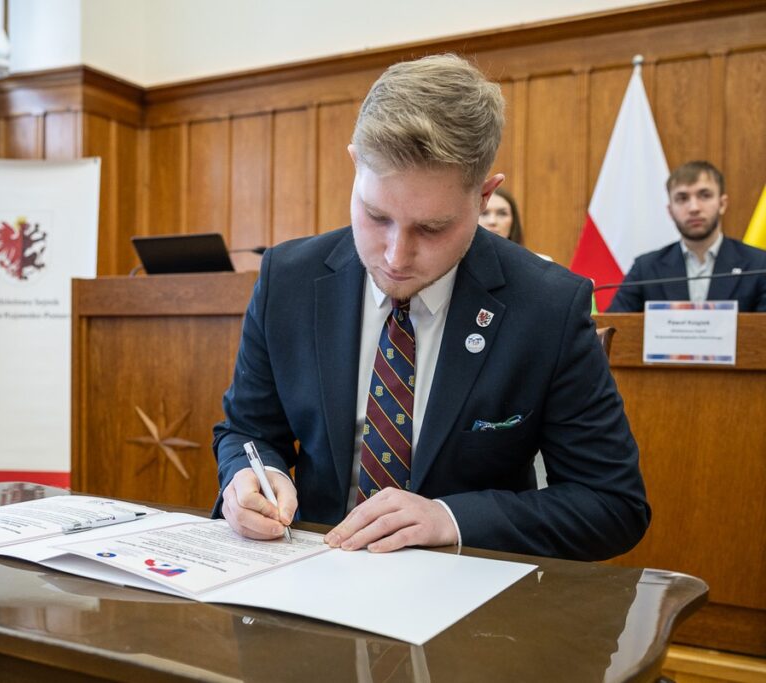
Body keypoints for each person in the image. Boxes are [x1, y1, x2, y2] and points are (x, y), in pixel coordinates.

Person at [212, 54, 650, 562]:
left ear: (485, 197)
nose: (396, 257)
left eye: (433, 228)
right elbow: (248, 430)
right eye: (376, 216)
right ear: (355, 164)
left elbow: (613, 504)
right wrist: (248, 476)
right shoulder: (288, 278)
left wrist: (450, 518)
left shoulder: (548, 305)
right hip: (310, 568)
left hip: (467, 595)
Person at [608, 160, 766, 312]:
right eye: (682, 198)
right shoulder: (646, 268)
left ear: (722, 204)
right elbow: (615, 327)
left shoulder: (759, 265)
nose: (694, 208)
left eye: (704, 195)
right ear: (670, 210)